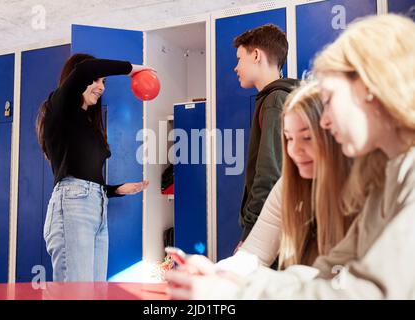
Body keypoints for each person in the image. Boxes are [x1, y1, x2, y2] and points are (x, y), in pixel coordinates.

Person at [166, 14, 415, 299]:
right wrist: (224, 277)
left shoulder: (395, 175)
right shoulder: (387, 176)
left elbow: (366, 291)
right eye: (288, 138)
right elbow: (327, 272)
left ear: (370, 88)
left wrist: (237, 291)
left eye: (331, 99)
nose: (326, 122)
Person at [36, 53, 151, 282]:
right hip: (72, 206)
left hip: (96, 208)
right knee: (76, 295)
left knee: (95, 292)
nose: (100, 87)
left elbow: (82, 172)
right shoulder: (59, 106)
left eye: (104, 82)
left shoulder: (87, 123)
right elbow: (86, 67)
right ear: (76, 80)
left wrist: (116, 190)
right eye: (96, 80)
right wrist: (135, 69)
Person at [233, 24, 299, 252]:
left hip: (271, 229)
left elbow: (270, 173)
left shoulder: (275, 100)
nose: (235, 68)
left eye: (239, 59)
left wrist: (250, 236)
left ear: (256, 55)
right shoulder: (281, 97)